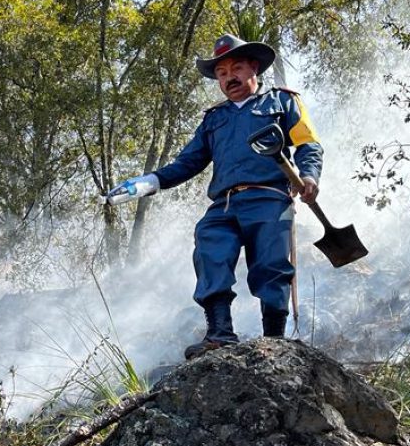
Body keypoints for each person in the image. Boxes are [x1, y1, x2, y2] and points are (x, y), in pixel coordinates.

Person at [104, 34, 323, 360]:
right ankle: (220, 334)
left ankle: (274, 342)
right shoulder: (214, 119)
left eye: (236, 68)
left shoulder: (283, 102)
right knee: (209, 246)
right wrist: (149, 182)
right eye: (221, 73)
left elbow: (307, 144)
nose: (229, 77)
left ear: (254, 68)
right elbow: (187, 163)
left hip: (269, 198)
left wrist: (308, 176)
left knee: (272, 266)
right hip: (225, 204)